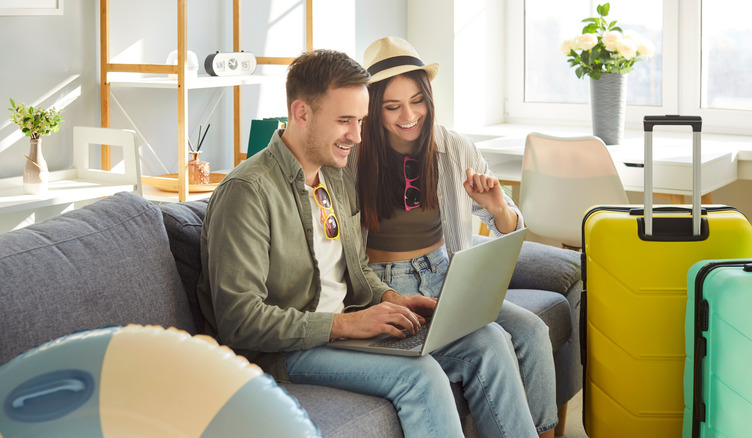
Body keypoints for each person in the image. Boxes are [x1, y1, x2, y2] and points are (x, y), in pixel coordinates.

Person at [196, 48, 542, 437]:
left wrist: (389, 299)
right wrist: (347, 323)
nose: (357, 136)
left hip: (343, 328)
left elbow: (355, 270)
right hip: (286, 352)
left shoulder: (335, 177)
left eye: (360, 121)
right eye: (345, 121)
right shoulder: (248, 191)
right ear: (301, 113)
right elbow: (239, 321)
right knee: (421, 376)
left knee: (488, 342)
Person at [352, 36, 559, 438]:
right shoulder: (355, 157)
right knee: (490, 343)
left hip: (447, 275)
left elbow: (508, 222)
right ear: (373, 109)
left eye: (417, 100)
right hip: (388, 282)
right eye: (392, 106)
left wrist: (498, 207)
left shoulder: (453, 147)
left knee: (533, 332)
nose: (409, 115)